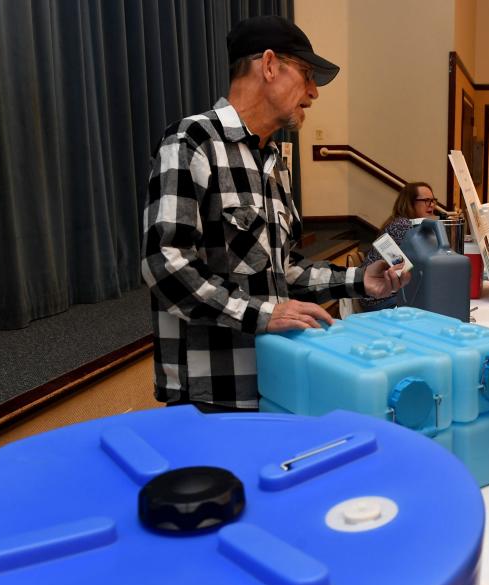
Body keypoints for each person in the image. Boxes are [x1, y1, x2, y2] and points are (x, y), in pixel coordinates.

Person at [141, 16, 407, 412]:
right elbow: (165, 265)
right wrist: (264, 315)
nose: (314, 92)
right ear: (268, 66)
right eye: (307, 74)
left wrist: (359, 281)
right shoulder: (191, 142)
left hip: (273, 383)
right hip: (211, 398)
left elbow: (283, 271)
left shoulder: (274, 163)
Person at [360, 182, 439, 311]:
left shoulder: (407, 223)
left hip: (386, 292)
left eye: (433, 200)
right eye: (426, 201)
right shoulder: (402, 225)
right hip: (379, 297)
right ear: (410, 203)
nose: (432, 205)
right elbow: (412, 267)